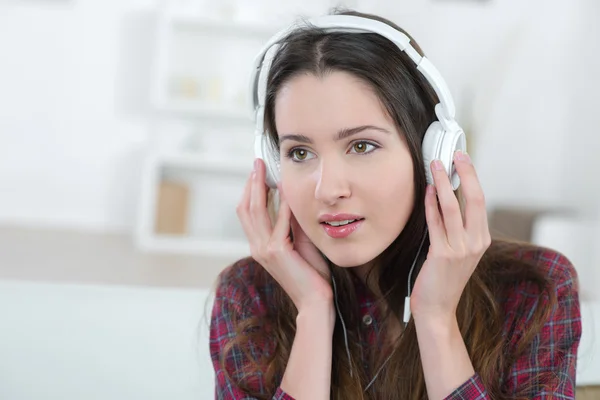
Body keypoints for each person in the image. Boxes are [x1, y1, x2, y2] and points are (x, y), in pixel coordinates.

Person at [208, 8, 582, 400]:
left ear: (431, 155)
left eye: (362, 145)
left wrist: (436, 320)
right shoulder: (248, 293)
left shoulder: (534, 290)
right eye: (299, 153)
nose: (327, 190)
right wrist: (313, 313)